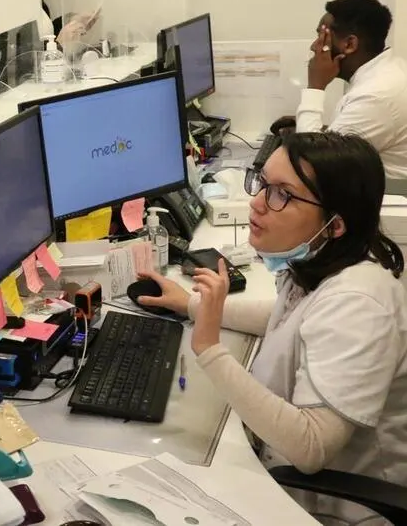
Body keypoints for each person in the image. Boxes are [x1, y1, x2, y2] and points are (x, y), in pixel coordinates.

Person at [137, 132, 407, 525]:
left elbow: (311, 448)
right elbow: (288, 317)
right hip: (282, 475)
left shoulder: (360, 306)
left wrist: (209, 348)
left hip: (333, 511)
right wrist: (192, 305)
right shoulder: (320, 260)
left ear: (335, 225)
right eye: (262, 183)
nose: (257, 202)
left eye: (283, 194)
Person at [296, 0, 407, 180]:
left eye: (321, 37)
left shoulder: (376, 96)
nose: (314, 46)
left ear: (349, 44)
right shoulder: (388, 69)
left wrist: (315, 86)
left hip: (386, 193)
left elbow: (311, 165)